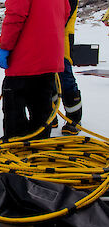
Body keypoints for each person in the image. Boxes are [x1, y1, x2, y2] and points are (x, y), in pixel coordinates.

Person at [0, 0, 71, 140]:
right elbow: (65, 13)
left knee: (14, 105)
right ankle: (39, 143)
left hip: (25, 59)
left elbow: (15, 16)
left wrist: (5, 47)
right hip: (49, 57)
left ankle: (16, 143)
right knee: (42, 107)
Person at [52, 0, 82, 135]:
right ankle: (50, 116)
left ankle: (74, 119)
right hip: (46, 38)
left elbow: (63, 14)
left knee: (65, 77)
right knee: (47, 77)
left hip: (62, 37)